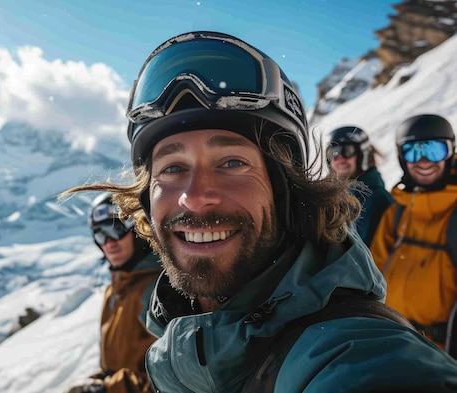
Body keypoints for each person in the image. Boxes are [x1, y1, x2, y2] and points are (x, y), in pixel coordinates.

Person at [62, 31, 457, 392]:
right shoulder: (180, 348)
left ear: (287, 190)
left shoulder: (355, 360)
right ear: (148, 199)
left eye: (232, 163)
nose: (195, 198)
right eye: (172, 168)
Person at [370, 113, 457, 354]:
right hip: (391, 341)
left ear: (450, 153)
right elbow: (372, 273)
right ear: (401, 158)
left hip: (441, 354)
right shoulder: (397, 211)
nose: (424, 161)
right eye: (413, 152)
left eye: (434, 150)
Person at [66, 192, 162, 393]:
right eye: (100, 234)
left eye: (116, 229)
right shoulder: (115, 290)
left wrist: (108, 389)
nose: (109, 243)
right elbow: (115, 367)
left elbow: (177, 377)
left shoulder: (158, 291)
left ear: (138, 230)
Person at [327, 126, 393, 245]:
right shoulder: (332, 199)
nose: (340, 159)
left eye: (347, 151)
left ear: (363, 154)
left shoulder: (378, 201)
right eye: (334, 152)